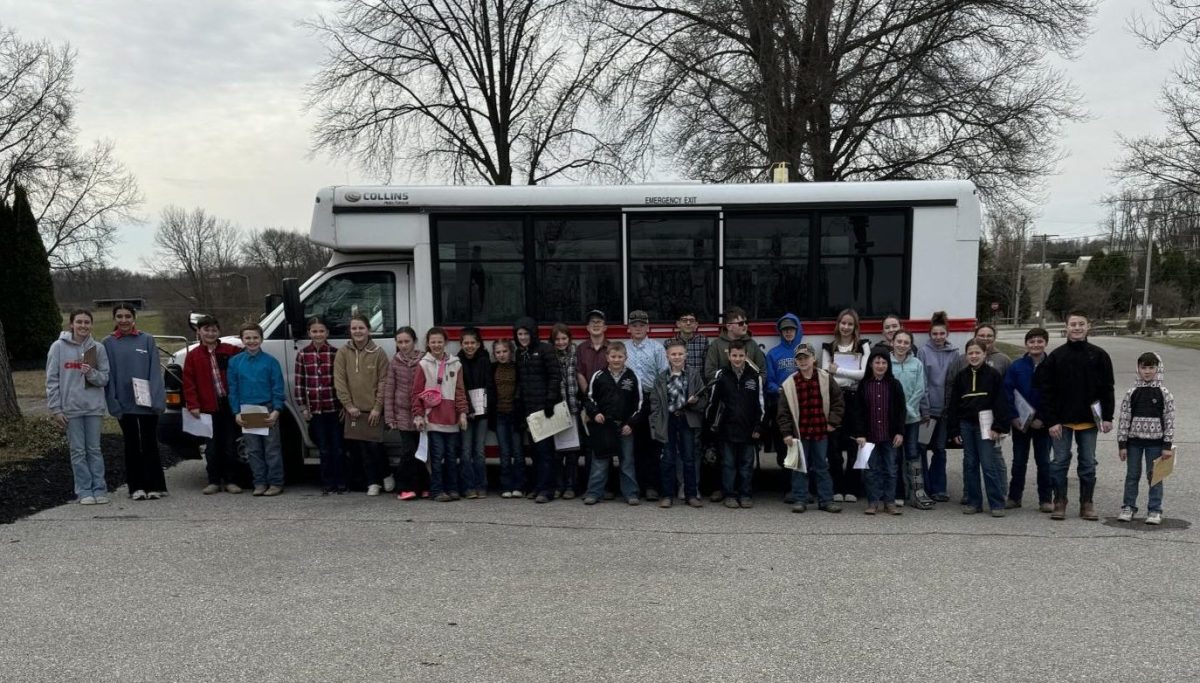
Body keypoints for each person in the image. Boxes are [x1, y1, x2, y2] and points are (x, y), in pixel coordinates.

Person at [1036, 311, 1114, 521]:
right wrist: (1051, 420)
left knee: (1088, 463)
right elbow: (1047, 391)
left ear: (1088, 327)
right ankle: (1060, 500)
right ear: (1067, 328)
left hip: (1089, 421)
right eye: (1073, 324)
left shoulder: (1099, 355)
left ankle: (1087, 503)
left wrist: (1108, 417)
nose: (1077, 328)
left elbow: (1107, 388)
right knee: (1059, 462)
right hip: (1061, 422)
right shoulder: (1057, 356)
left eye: (1081, 324)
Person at [102, 303, 167, 501]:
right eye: (119, 316)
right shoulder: (108, 343)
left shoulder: (146, 340)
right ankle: (136, 487)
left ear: (134, 318)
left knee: (149, 443)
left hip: (147, 402)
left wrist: (157, 400)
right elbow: (108, 375)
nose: (123, 320)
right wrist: (113, 403)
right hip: (124, 402)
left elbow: (155, 371)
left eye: (127, 316)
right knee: (131, 444)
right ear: (114, 319)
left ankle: (155, 485)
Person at [47, 309, 111, 505]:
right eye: (79, 322)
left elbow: (104, 378)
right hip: (70, 409)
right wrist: (56, 409)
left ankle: (99, 489)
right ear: (71, 324)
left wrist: (91, 372)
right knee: (77, 451)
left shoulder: (97, 348)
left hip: (93, 408)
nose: (83, 326)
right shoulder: (58, 347)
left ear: (91, 325)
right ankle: (84, 491)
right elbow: (52, 379)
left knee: (94, 449)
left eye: (87, 322)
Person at [776, 343, 843, 514]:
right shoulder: (789, 384)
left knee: (822, 466)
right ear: (795, 362)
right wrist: (786, 433)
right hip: (800, 433)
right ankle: (800, 499)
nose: (803, 361)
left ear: (814, 359)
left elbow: (838, 402)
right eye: (799, 358)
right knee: (799, 467)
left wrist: (832, 422)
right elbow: (782, 412)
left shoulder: (826, 378)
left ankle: (826, 500)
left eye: (806, 357)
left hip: (821, 432)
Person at [947, 339, 1011, 516]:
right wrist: (954, 430)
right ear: (966, 355)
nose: (974, 356)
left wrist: (998, 426)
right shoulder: (961, 377)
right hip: (966, 425)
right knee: (970, 464)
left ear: (985, 354)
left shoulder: (993, 375)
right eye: (970, 353)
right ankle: (974, 502)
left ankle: (996, 503)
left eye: (977, 353)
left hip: (987, 426)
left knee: (989, 465)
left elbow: (1000, 402)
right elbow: (953, 405)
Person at [182, 315, 244, 495]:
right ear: (198, 332)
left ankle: (231, 480)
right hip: (207, 407)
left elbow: (246, 356)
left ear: (219, 331)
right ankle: (214, 480)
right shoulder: (193, 356)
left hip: (228, 404)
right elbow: (189, 382)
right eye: (206, 330)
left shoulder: (230, 350)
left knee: (231, 444)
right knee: (212, 446)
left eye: (214, 330)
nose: (210, 333)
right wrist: (193, 404)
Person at [227, 323, 287, 496]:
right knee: (253, 450)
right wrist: (236, 411)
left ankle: (276, 482)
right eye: (248, 338)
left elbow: (277, 387)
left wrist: (276, 410)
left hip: (267, 408)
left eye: (255, 337)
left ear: (261, 339)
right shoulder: (235, 362)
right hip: (248, 410)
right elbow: (233, 388)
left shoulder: (271, 362)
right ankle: (259, 482)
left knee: (272, 448)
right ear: (242, 339)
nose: (252, 341)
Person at [334, 313, 389, 496]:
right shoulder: (343, 353)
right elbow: (340, 381)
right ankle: (373, 483)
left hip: (373, 409)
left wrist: (377, 407)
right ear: (350, 331)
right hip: (354, 410)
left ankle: (386, 473)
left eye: (361, 328)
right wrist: (348, 405)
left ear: (369, 330)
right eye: (354, 328)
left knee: (375, 445)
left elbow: (384, 381)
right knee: (362, 448)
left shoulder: (379, 352)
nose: (358, 331)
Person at [582, 341, 644, 505]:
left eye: (620, 356)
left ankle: (631, 493)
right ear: (607, 357)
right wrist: (595, 414)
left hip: (625, 427)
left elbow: (640, 404)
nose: (616, 360)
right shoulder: (599, 376)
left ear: (626, 357)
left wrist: (631, 423)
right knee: (600, 461)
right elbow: (588, 398)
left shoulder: (632, 377)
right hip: (604, 427)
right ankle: (594, 493)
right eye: (613, 356)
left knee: (627, 462)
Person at [1116, 352, 1175, 525]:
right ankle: (1128, 506)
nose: (1147, 372)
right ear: (1138, 369)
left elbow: (1169, 420)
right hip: (1134, 443)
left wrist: (1167, 445)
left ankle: (1155, 510)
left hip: (1156, 445)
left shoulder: (1165, 393)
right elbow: (1124, 419)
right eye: (1144, 368)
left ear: (1158, 369)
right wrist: (1122, 444)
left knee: (1154, 476)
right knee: (1132, 475)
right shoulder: (1132, 392)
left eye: (1151, 368)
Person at [821, 308, 872, 503]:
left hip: (855, 399)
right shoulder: (828, 347)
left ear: (855, 326)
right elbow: (826, 375)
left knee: (854, 444)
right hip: (835, 399)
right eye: (843, 323)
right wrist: (849, 373)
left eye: (850, 324)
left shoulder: (863, 346)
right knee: (833, 446)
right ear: (838, 324)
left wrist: (839, 370)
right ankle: (837, 487)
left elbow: (864, 374)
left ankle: (853, 488)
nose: (846, 327)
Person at [649, 338, 707, 508]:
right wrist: (655, 423)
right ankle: (667, 495)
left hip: (687, 419)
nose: (677, 357)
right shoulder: (661, 378)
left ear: (686, 355)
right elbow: (655, 402)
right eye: (673, 354)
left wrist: (695, 401)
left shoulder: (694, 374)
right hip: (668, 420)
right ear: (667, 356)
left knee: (689, 458)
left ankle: (691, 494)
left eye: (680, 354)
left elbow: (704, 398)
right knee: (667, 458)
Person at [412, 327, 468, 502]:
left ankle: (452, 489)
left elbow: (460, 391)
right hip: (432, 418)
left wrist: (463, 413)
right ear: (428, 344)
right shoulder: (423, 364)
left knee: (451, 456)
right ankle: (437, 490)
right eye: (433, 342)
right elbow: (416, 392)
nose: (436, 345)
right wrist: (418, 415)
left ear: (446, 343)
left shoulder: (456, 363)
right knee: (436, 456)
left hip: (451, 418)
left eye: (440, 342)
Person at [849, 349, 906, 515]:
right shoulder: (864, 385)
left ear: (888, 365)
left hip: (890, 435)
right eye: (877, 362)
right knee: (871, 471)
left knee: (891, 469)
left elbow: (901, 411)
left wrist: (900, 432)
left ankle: (889, 502)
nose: (880, 366)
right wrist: (860, 434)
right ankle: (873, 502)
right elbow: (857, 412)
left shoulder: (894, 385)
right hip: (870, 436)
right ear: (871, 365)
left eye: (884, 363)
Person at [709, 340, 764, 509]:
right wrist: (713, 425)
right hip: (727, 429)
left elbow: (760, 405)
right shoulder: (721, 375)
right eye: (734, 355)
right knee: (728, 464)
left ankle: (745, 494)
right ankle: (730, 494)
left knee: (746, 465)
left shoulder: (755, 376)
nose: (738, 359)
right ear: (729, 356)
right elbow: (713, 403)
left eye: (741, 355)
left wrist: (758, 427)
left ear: (746, 356)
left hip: (748, 430)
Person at [1002, 327, 1052, 512]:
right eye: (1032, 341)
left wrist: (1043, 419)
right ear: (1026, 344)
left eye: (1039, 341)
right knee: (1019, 461)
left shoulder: (1052, 365)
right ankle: (1015, 497)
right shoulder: (1016, 366)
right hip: (1020, 423)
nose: (1035, 345)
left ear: (1045, 343)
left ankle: (1046, 499)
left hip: (1042, 424)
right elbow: (1008, 392)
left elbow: (1055, 395)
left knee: (1044, 461)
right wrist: (1014, 417)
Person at [513, 317, 562, 504]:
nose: (523, 337)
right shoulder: (520, 353)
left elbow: (555, 376)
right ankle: (538, 486)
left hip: (544, 409)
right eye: (519, 334)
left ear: (533, 333)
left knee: (545, 452)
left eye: (526, 333)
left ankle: (547, 489)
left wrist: (550, 401)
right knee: (533, 452)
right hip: (528, 410)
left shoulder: (545, 349)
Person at [296, 317, 345, 494]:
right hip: (315, 410)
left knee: (338, 448)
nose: (318, 334)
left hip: (334, 408)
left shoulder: (335, 353)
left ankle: (341, 483)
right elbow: (300, 383)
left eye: (321, 331)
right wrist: (303, 407)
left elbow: (341, 381)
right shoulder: (302, 354)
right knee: (323, 448)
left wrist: (344, 406)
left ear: (327, 333)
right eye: (314, 331)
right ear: (309, 333)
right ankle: (327, 483)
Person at [623, 309, 668, 500]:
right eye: (634, 325)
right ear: (629, 329)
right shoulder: (623, 348)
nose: (638, 328)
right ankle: (637, 487)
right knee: (635, 446)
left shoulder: (657, 348)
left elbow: (663, 375)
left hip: (651, 399)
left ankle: (652, 486)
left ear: (648, 327)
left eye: (642, 325)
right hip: (631, 400)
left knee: (653, 445)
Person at [917, 311, 959, 502]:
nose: (938, 337)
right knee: (922, 448)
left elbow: (954, 382)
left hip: (944, 411)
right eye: (935, 334)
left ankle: (939, 488)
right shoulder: (923, 352)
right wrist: (924, 408)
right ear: (930, 334)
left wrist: (950, 408)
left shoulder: (954, 353)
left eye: (942, 334)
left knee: (940, 449)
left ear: (947, 334)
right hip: (928, 411)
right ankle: (924, 487)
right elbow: (922, 382)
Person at [384, 326, 429, 500]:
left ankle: (423, 486)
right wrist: (390, 417)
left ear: (414, 341)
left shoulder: (424, 359)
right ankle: (405, 487)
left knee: (422, 452)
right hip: (402, 413)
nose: (403, 345)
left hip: (421, 413)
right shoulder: (394, 361)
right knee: (408, 451)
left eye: (407, 341)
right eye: (400, 342)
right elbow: (390, 389)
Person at [890, 329, 932, 509]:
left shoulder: (916, 363)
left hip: (912, 417)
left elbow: (920, 388)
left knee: (913, 453)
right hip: (892, 418)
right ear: (892, 342)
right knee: (895, 454)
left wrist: (907, 408)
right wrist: (898, 409)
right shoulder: (887, 362)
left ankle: (917, 492)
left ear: (910, 345)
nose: (902, 345)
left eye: (906, 342)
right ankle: (898, 492)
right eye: (898, 341)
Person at [764, 313, 804, 499]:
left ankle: (803, 488)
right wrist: (779, 389)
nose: (789, 332)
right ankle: (788, 487)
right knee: (784, 446)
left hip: (803, 405)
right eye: (785, 330)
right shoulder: (773, 354)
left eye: (792, 329)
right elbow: (768, 381)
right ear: (780, 332)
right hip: (781, 405)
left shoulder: (804, 351)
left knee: (803, 447)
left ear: (797, 330)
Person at [457, 327, 491, 498]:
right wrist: (467, 409)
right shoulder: (457, 362)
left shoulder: (485, 360)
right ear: (461, 344)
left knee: (479, 451)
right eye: (466, 343)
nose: (469, 346)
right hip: (464, 412)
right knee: (465, 450)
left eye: (472, 343)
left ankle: (481, 485)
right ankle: (468, 486)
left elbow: (489, 385)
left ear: (478, 344)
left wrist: (484, 407)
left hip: (482, 413)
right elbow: (458, 388)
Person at [490, 339, 525, 498]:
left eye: (504, 351)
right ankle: (506, 486)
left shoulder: (518, 368)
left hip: (515, 415)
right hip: (500, 415)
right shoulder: (493, 368)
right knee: (504, 453)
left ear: (511, 352)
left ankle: (519, 485)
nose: (501, 355)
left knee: (518, 452)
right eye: (498, 352)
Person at [551, 323, 582, 499]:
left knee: (572, 452)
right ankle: (558, 486)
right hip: (556, 409)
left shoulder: (576, 354)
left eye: (564, 338)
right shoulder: (550, 355)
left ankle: (571, 486)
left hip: (573, 407)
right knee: (557, 453)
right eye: (557, 339)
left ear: (569, 339)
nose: (561, 342)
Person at [703, 305, 766, 382]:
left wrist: (753, 385)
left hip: (748, 391)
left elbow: (762, 371)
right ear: (729, 327)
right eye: (741, 323)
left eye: (746, 322)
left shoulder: (752, 344)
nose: (745, 325)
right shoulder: (716, 345)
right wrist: (729, 384)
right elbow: (709, 373)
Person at [670, 309, 709, 374]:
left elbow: (707, 365)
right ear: (678, 324)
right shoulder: (669, 343)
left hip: (699, 382)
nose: (688, 323)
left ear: (696, 325)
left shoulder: (703, 341)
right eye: (684, 320)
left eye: (691, 320)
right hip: (677, 382)